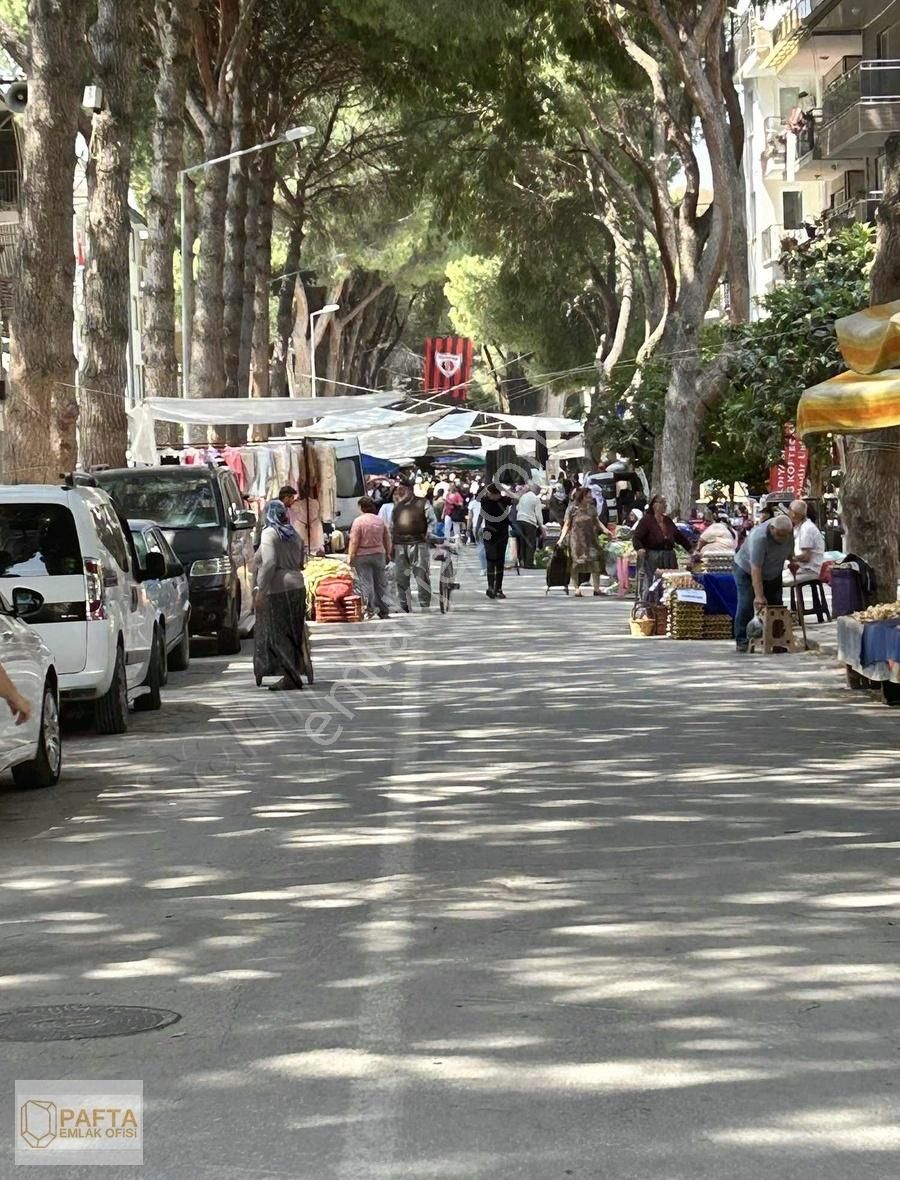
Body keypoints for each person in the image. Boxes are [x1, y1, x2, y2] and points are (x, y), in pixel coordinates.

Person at [252, 500, 307, 691]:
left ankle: (290, 678)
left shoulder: (269, 533)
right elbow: (301, 562)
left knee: (280, 634)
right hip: (298, 585)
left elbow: (269, 563)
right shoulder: (294, 534)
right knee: (294, 632)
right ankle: (296, 672)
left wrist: (261, 589)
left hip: (278, 589)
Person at [733, 514, 795, 653]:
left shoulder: (788, 534)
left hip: (773, 571)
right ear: (772, 528)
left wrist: (792, 561)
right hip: (747, 570)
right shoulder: (759, 538)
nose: (782, 539)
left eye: (785, 536)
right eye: (779, 535)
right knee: (747, 603)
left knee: (776, 605)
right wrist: (759, 596)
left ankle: (777, 640)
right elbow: (756, 569)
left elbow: (790, 550)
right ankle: (742, 640)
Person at [391, 479, 436, 611]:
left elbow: (432, 521)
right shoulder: (397, 506)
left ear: (410, 490)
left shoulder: (423, 503)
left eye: (402, 490)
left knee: (421, 574)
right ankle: (404, 604)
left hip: (418, 543)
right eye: (398, 490)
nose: (399, 492)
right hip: (399, 544)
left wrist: (429, 533)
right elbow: (391, 525)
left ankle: (424, 603)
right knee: (401, 576)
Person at [559, 486, 612, 596]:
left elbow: (597, 521)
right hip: (577, 541)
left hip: (591, 539)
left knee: (595, 562)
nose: (591, 498)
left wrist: (605, 530)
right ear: (582, 497)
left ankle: (596, 589)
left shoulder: (592, 508)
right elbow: (567, 524)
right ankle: (577, 589)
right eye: (588, 497)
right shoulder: (573, 509)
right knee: (576, 564)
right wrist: (561, 538)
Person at [631, 494, 692, 588]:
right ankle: (652, 600)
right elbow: (637, 537)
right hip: (654, 556)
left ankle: (668, 599)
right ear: (654, 505)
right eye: (662, 502)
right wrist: (639, 548)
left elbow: (679, 536)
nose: (665, 505)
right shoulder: (646, 520)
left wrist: (690, 549)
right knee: (654, 581)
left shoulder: (667, 521)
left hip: (669, 556)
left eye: (665, 503)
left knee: (670, 581)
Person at [348, 496, 393, 620]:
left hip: (362, 556)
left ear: (361, 508)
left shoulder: (358, 521)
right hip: (379, 554)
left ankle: (369, 609)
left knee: (366, 583)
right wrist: (388, 553)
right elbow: (387, 538)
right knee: (381, 584)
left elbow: (354, 541)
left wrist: (351, 556)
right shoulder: (380, 521)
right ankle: (384, 611)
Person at [479, 483, 513, 599]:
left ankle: (498, 588)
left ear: (497, 494)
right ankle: (490, 587)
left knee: (500, 562)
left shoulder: (504, 500)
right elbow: (482, 514)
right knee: (491, 560)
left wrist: (505, 491)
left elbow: (517, 500)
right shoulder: (485, 501)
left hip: (502, 534)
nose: (488, 495)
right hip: (489, 533)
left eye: (490, 494)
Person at [785, 498, 825, 585]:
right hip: (804, 568)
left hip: (809, 570)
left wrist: (790, 558)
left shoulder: (806, 529)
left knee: (774, 578)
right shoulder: (801, 526)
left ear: (794, 514)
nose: (788, 513)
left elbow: (806, 557)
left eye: (789, 511)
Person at [514, 482, 544, 568]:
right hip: (530, 522)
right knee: (530, 543)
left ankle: (521, 561)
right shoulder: (535, 499)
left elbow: (517, 508)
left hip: (519, 520)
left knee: (522, 542)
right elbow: (538, 514)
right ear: (537, 491)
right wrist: (541, 526)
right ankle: (529, 563)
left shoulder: (523, 496)